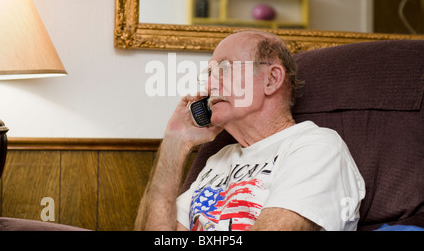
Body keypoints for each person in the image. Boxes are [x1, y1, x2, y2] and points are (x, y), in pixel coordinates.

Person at [135, 30, 365, 231]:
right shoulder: (219, 160)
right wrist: (175, 142)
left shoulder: (316, 148)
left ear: (271, 79)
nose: (208, 86)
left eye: (224, 69)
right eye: (209, 74)